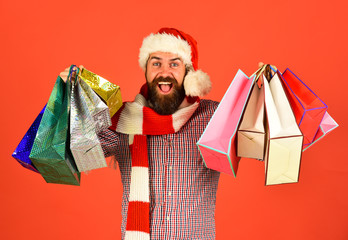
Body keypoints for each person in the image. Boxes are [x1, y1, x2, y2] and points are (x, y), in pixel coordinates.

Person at [61, 28, 220, 240]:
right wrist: (70, 101)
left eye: (174, 63)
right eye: (156, 63)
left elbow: (261, 142)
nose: (164, 72)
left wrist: (271, 87)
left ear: (189, 73)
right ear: (146, 69)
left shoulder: (214, 117)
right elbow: (70, 157)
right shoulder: (123, 119)